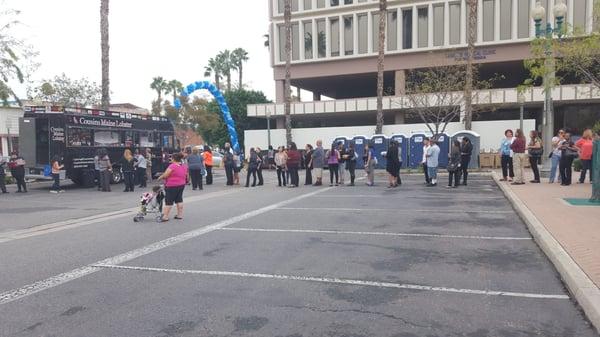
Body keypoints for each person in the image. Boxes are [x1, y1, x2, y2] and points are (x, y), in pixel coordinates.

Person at [158, 153, 188, 222]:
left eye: (171, 158)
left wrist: (160, 177)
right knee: (179, 199)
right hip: (181, 184)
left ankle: (165, 216)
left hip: (171, 185)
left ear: (174, 159)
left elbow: (166, 175)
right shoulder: (184, 166)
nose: (170, 159)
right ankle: (179, 215)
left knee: (169, 200)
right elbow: (186, 174)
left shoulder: (172, 166)